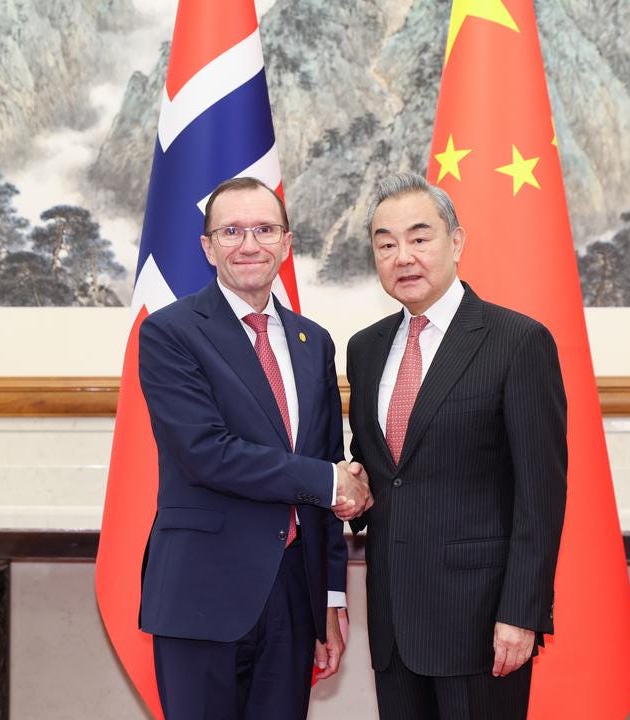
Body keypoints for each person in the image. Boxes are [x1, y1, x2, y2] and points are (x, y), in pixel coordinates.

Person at [138, 177, 370, 719]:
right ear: (207, 246)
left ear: (286, 244)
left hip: (293, 596)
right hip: (201, 593)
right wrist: (330, 482)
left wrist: (329, 600)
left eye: (264, 229)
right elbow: (206, 452)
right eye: (232, 231)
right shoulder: (171, 333)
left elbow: (328, 458)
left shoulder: (314, 342)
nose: (249, 244)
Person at [346, 172, 567, 719]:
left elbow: (541, 494)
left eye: (420, 238)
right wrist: (348, 487)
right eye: (386, 243)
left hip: (481, 623)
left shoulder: (517, 341)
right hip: (394, 619)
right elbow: (381, 466)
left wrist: (521, 612)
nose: (403, 257)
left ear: (457, 242)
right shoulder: (365, 349)